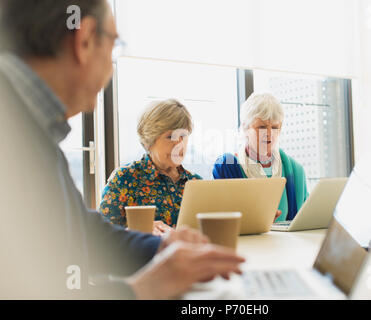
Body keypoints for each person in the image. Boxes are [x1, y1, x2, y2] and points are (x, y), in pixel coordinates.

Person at [0, 0, 244, 299]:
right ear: (85, 40)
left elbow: (83, 232)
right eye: (115, 46)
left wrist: (161, 248)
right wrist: (144, 288)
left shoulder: (34, 133)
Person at [99, 99, 201, 235]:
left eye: (183, 135)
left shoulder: (196, 183)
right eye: (170, 136)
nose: (179, 144)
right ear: (149, 140)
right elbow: (100, 236)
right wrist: (140, 229)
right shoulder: (124, 178)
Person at [213, 93, 309, 222]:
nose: (269, 134)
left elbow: (304, 221)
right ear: (245, 128)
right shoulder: (227, 166)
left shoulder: (295, 170)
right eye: (262, 127)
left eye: (275, 127)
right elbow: (223, 222)